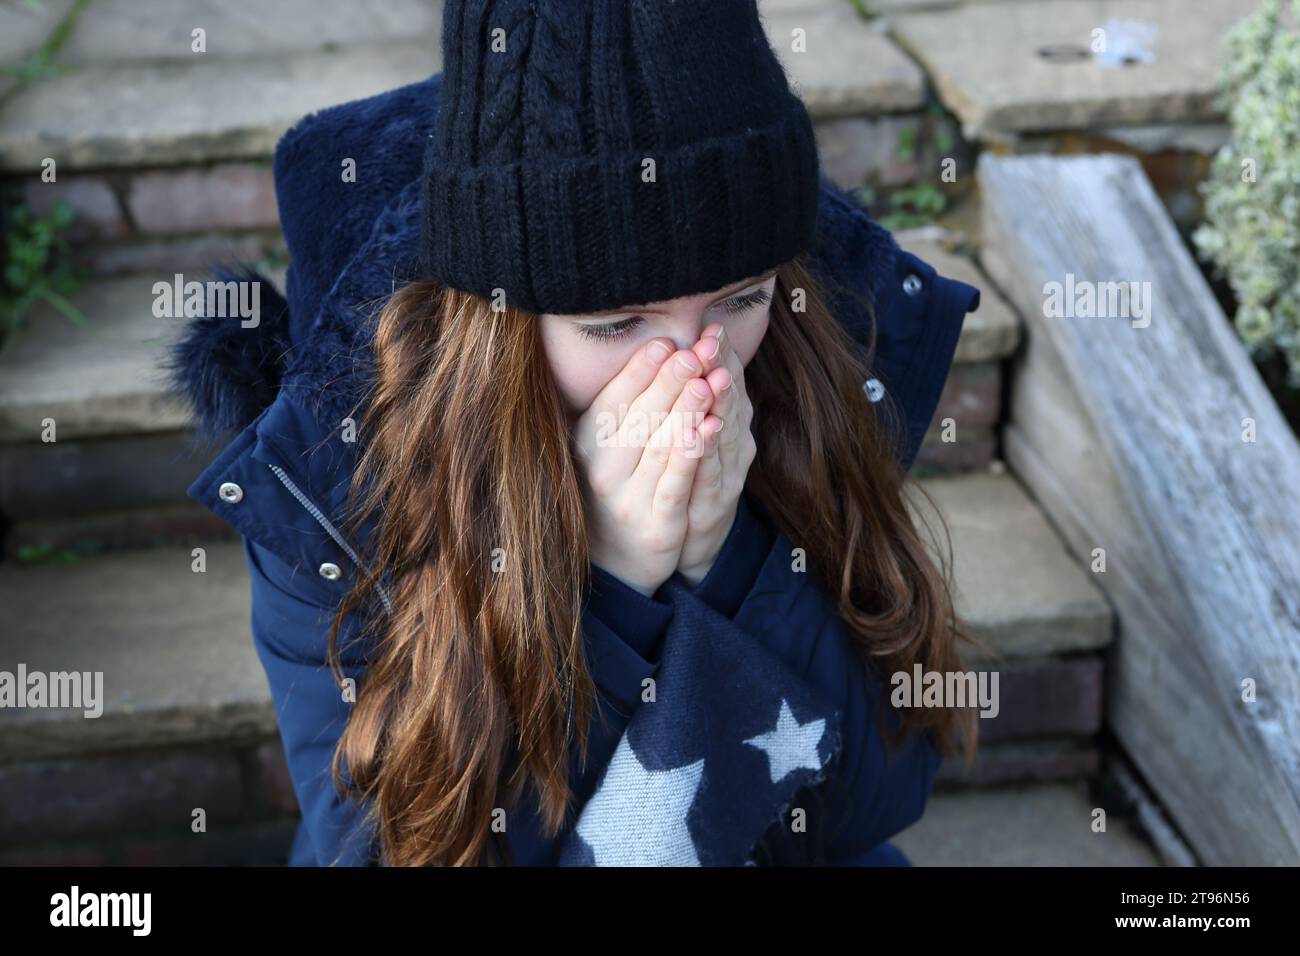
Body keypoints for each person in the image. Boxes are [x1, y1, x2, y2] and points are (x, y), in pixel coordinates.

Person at [168, 0, 982, 867]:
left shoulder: (800, 371)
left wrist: (729, 568)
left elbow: (875, 796)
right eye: (617, 322)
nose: (692, 367)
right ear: (505, 326)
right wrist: (613, 583)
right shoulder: (341, 481)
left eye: (738, 299)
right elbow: (412, 847)